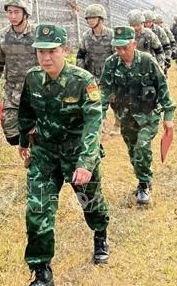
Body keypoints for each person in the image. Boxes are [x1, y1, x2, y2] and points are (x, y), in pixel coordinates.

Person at [18, 23, 110, 286]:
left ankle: (100, 232)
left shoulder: (83, 82)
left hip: (77, 153)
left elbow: (93, 124)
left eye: (52, 51)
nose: (45, 58)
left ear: (65, 50)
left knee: (90, 203)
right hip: (45, 154)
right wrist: (24, 142)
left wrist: (86, 162)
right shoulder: (33, 78)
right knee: (38, 209)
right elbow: (26, 113)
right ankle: (41, 270)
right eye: (40, 52)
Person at [99, 26, 175, 206]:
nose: (122, 52)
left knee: (142, 146)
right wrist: (101, 114)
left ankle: (143, 185)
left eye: (125, 47)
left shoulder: (148, 61)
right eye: (118, 48)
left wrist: (169, 116)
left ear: (134, 44)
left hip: (148, 115)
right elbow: (104, 90)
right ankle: (144, 178)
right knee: (133, 152)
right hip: (125, 115)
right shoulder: (111, 63)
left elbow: (162, 87)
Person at [0, 0, 38, 146]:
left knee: (39, 129)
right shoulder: (2, 36)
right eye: (9, 12)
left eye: (16, 12)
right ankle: (28, 146)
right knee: (11, 133)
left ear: (25, 13)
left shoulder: (36, 35)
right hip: (12, 91)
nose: (12, 16)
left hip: (35, 89)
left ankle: (36, 156)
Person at [76, 3, 114, 80]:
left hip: (109, 76)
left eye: (93, 18)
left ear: (101, 19)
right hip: (91, 77)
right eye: (88, 18)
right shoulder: (86, 36)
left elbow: (118, 56)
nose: (90, 21)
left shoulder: (111, 35)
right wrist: (81, 75)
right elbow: (80, 57)